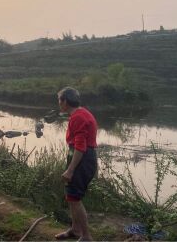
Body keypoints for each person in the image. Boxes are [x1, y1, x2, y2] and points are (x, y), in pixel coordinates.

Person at [55, 87, 98, 241]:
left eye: (60, 101)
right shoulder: (81, 113)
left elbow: (80, 147)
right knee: (71, 196)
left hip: (82, 160)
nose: (59, 104)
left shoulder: (78, 117)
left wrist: (70, 170)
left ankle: (86, 236)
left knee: (75, 198)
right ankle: (75, 230)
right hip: (80, 158)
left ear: (65, 101)